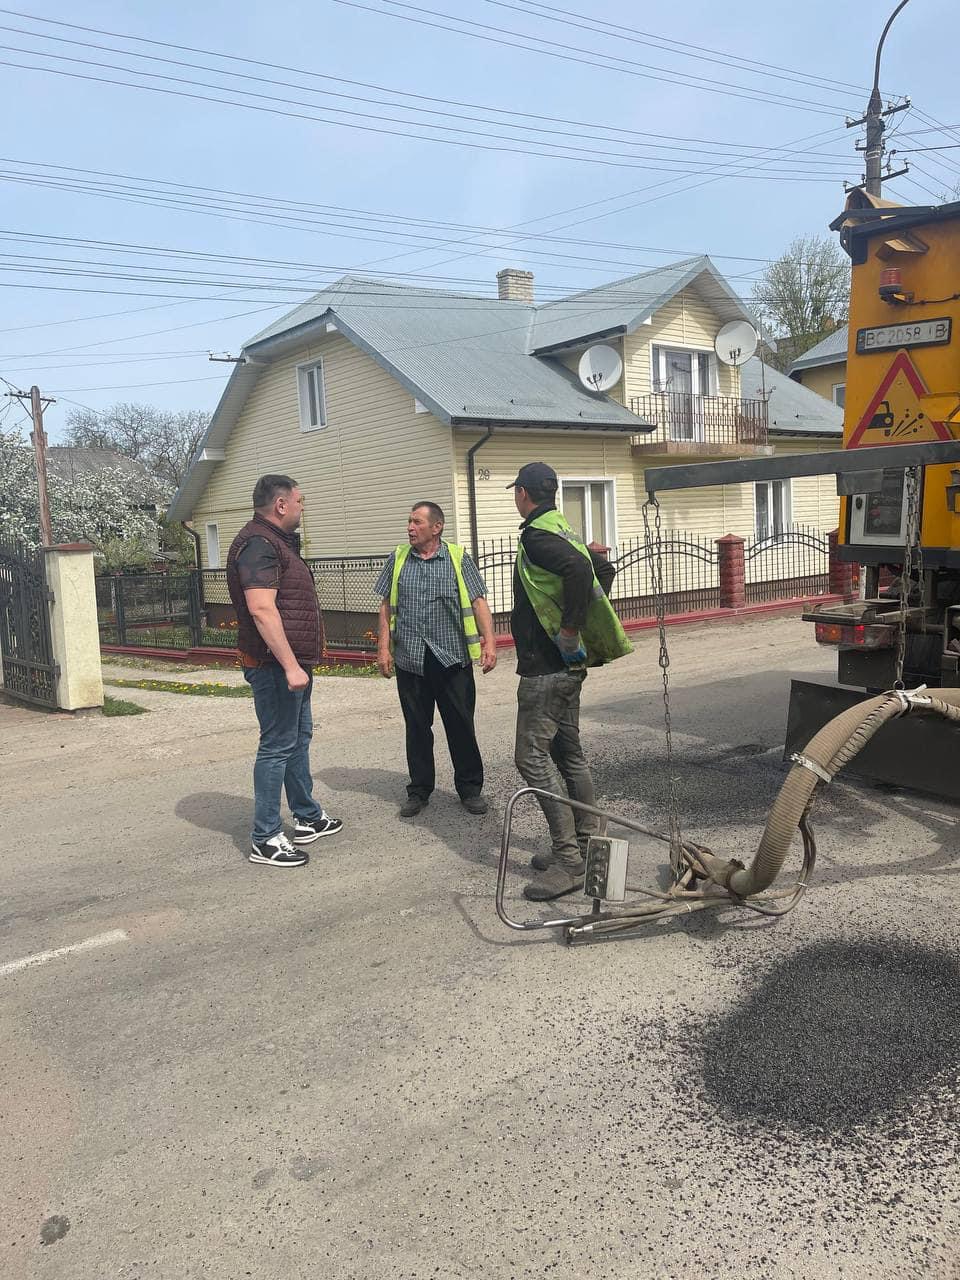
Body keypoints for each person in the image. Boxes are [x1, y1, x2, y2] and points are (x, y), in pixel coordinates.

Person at [508, 462, 633, 902]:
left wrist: (568, 630)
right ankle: (585, 843)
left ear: (524, 494)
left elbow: (582, 574)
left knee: (530, 757)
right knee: (567, 753)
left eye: (516, 492)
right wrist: (598, 567)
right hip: (566, 668)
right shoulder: (562, 527)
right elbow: (595, 567)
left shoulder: (538, 535)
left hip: (547, 668)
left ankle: (569, 861)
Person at [225, 474, 342, 868]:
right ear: (280, 504)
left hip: (291, 664)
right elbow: (261, 608)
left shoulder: (274, 543)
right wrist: (291, 665)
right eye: (299, 501)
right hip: (275, 665)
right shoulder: (259, 544)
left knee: (297, 739)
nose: (301, 507)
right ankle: (266, 837)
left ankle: (307, 817)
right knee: (277, 745)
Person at [376, 501, 498, 817]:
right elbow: (386, 606)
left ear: (436, 527)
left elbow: (478, 601)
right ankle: (419, 791)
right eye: (409, 522)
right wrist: (383, 649)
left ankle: (470, 789)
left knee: (460, 726)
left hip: (452, 659)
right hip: (411, 660)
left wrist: (490, 643)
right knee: (417, 728)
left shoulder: (457, 558)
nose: (410, 528)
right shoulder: (399, 558)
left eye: (416, 522)